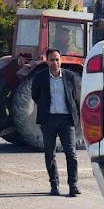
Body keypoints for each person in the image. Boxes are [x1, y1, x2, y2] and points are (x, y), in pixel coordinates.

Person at [31, 49, 81, 197]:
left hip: (66, 120)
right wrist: (46, 108)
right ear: (47, 61)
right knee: (49, 153)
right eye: (52, 60)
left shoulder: (69, 76)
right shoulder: (40, 77)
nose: (55, 63)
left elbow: (74, 96)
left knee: (71, 153)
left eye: (57, 59)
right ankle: (54, 186)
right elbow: (35, 95)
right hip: (49, 120)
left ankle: (73, 185)